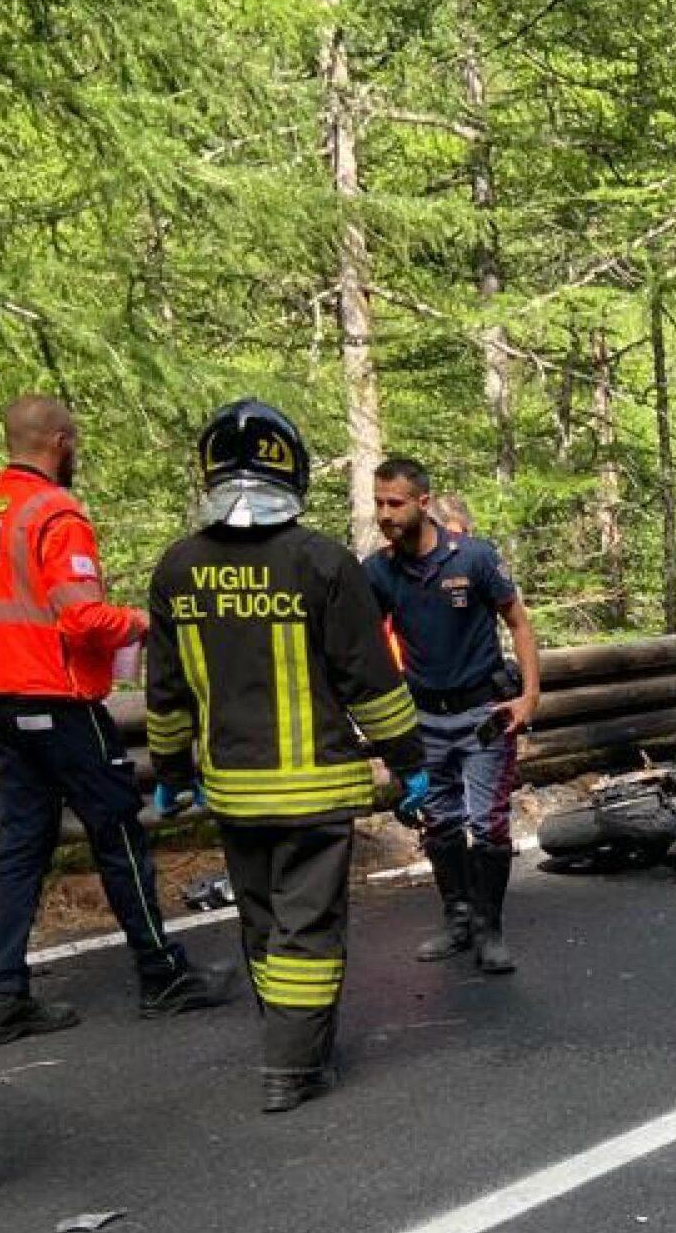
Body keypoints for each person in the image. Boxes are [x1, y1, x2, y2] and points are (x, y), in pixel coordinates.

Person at [145, 401, 428, 1113]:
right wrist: (410, 762)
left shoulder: (178, 568)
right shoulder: (323, 562)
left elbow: (166, 689)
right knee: (309, 927)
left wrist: (171, 773)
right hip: (314, 795)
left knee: (263, 919)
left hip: (234, 795)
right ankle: (293, 1066)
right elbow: (371, 679)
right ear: (291, 469)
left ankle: (290, 1042)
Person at [0, 394, 233, 1044]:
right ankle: (161, 973)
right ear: (58, 441)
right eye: (73, 440)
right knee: (118, 832)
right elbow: (81, 617)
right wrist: (143, 621)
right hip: (59, 704)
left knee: (21, 847)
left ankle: (0, 997)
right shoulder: (54, 512)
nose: (75, 451)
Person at [366, 457, 540, 974]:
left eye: (395, 503)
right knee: (440, 821)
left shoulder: (474, 558)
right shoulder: (377, 571)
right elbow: (365, 647)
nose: (384, 514)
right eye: (378, 503)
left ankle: (490, 929)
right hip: (423, 718)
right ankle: (457, 918)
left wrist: (529, 696)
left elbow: (519, 625)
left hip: (484, 712)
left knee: (488, 825)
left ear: (422, 503)